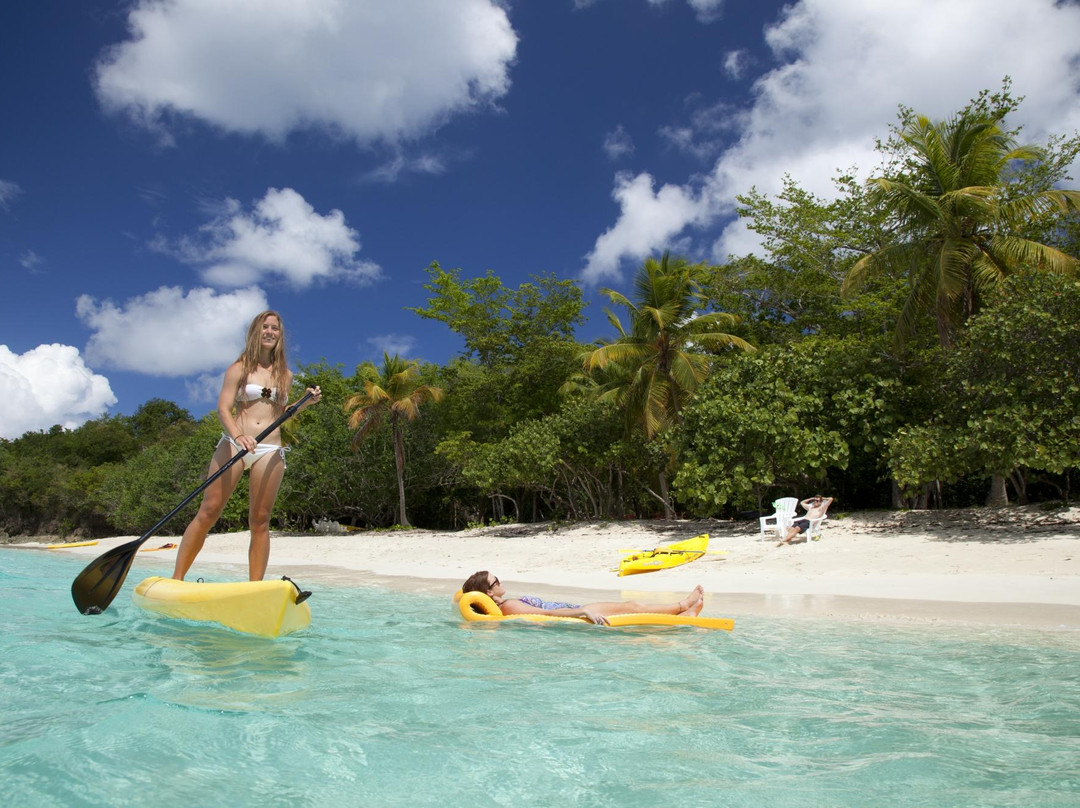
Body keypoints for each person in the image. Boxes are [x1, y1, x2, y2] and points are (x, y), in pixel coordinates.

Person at [172, 310, 321, 581]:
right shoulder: (239, 368)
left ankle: (255, 589)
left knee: (260, 521)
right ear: (255, 332)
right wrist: (239, 436)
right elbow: (224, 409)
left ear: (280, 335)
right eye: (265, 327)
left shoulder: (286, 375)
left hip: (270, 449)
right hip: (235, 443)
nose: (270, 332)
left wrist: (304, 403)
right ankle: (177, 579)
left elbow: (279, 413)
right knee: (209, 511)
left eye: (274, 328)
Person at [460, 571, 705, 625]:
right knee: (633, 607)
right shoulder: (509, 607)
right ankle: (683, 607)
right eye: (496, 581)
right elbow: (547, 614)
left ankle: (684, 614)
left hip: (577, 610)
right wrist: (583, 611)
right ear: (489, 592)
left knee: (631, 608)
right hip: (579, 612)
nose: (501, 582)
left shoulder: (505, 605)